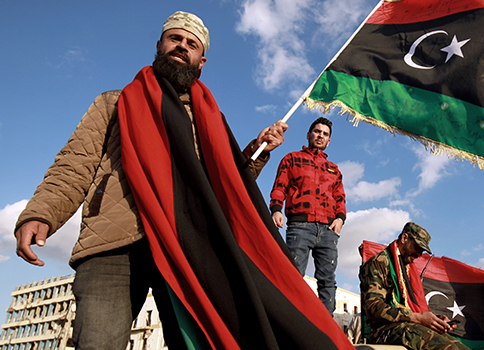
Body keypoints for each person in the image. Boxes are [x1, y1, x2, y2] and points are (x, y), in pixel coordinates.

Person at [14, 11, 353, 350]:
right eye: (175, 38)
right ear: (160, 45)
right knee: (98, 343)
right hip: (114, 243)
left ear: (201, 61)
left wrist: (258, 150)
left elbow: (228, 187)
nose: (182, 46)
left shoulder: (211, 120)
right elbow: (75, 164)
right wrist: (41, 213)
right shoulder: (115, 102)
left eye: (191, 44)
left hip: (189, 245)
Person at [269, 117, 346, 315]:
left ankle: (326, 327)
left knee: (327, 280)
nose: (320, 135)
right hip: (300, 226)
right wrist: (276, 209)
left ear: (329, 141)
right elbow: (280, 186)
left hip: (328, 230)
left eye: (325, 134)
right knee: (293, 274)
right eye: (317, 131)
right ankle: (290, 321)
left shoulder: (334, 170)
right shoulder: (292, 158)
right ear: (309, 134)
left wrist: (340, 219)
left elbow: (340, 197)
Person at [359, 222, 470, 350]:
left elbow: (410, 308)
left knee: (460, 348)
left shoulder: (407, 270)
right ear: (404, 238)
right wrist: (418, 318)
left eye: (421, 251)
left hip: (407, 326)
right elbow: (373, 307)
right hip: (384, 331)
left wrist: (435, 320)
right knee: (450, 348)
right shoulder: (378, 263)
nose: (419, 254)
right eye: (417, 247)